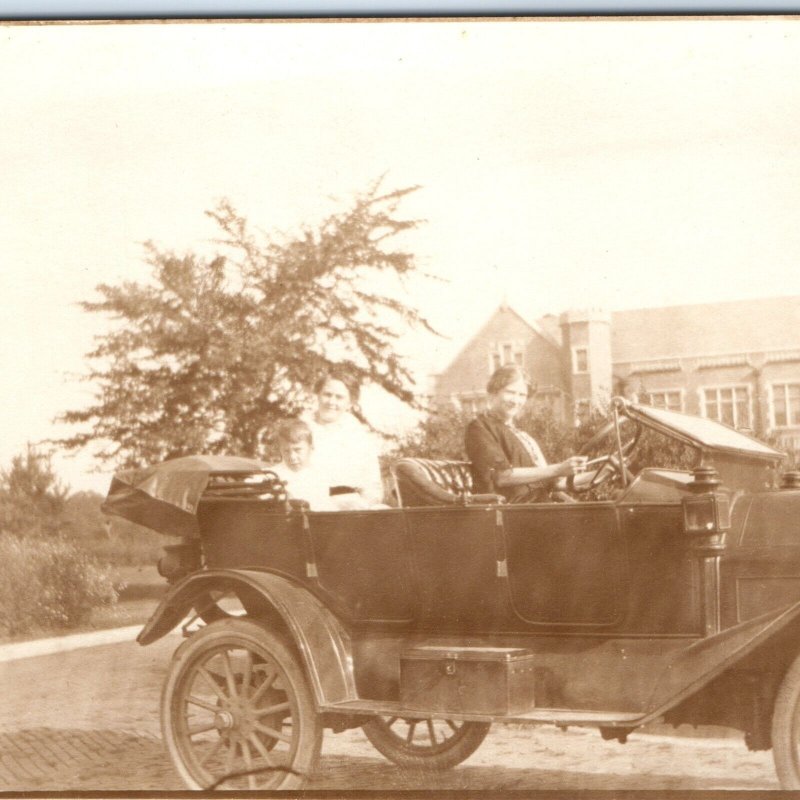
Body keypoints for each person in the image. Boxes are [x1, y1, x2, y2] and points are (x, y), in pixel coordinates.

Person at [465, 364, 588, 503]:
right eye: (510, 392)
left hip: (537, 506)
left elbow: (554, 482)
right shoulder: (479, 427)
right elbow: (501, 477)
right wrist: (559, 469)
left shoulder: (521, 434)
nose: (516, 401)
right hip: (512, 511)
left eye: (522, 395)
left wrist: (604, 471)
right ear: (494, 393)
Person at [303, 371, 385, 507]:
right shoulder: (302, 429)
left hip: (353, 506)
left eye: (339, 397)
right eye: (327, 394)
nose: (331, 402)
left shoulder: (359, 436)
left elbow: (372, 484)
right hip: (312, 503)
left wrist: (365, 506)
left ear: (350, 403)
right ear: (317, 395)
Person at [269, 419, 336, 511]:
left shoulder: (320, 475)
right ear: (280, 450)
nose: (292, 456)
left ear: (311, 448)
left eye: (297, 450)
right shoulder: (270, 476)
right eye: (286, 451)